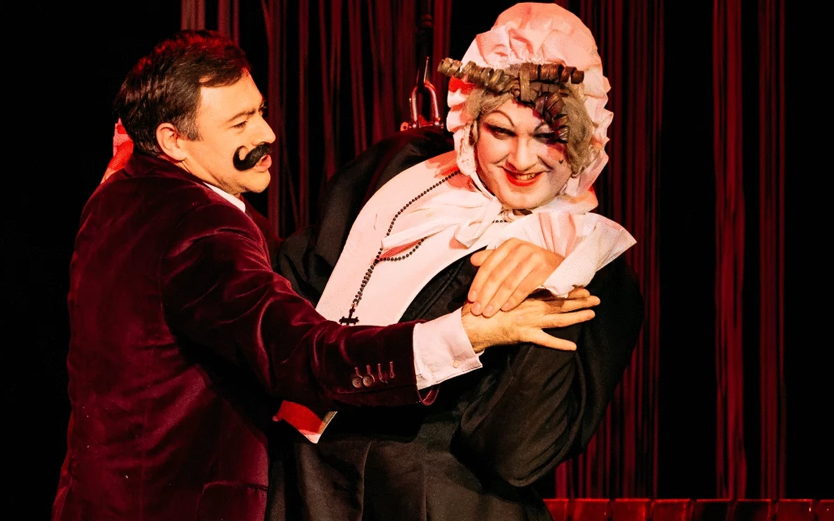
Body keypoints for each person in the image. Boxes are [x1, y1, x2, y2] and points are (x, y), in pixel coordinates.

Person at [52, 28, 604, 521]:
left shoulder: (119, 194)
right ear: (174, 140)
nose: (268, 134)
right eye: (240, 123)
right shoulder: (203, 226)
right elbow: (303, 354)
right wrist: (466, 334)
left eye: (259, 111)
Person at [268, 3, 645, 521]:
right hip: (311, 488)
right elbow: (290, 289)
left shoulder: (601, 271)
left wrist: (560, 276)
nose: (521, 160)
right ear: (470, 122)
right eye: (501, 131)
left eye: (548, 136)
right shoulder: (402, 172)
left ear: (584, 139)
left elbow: (514, 453)